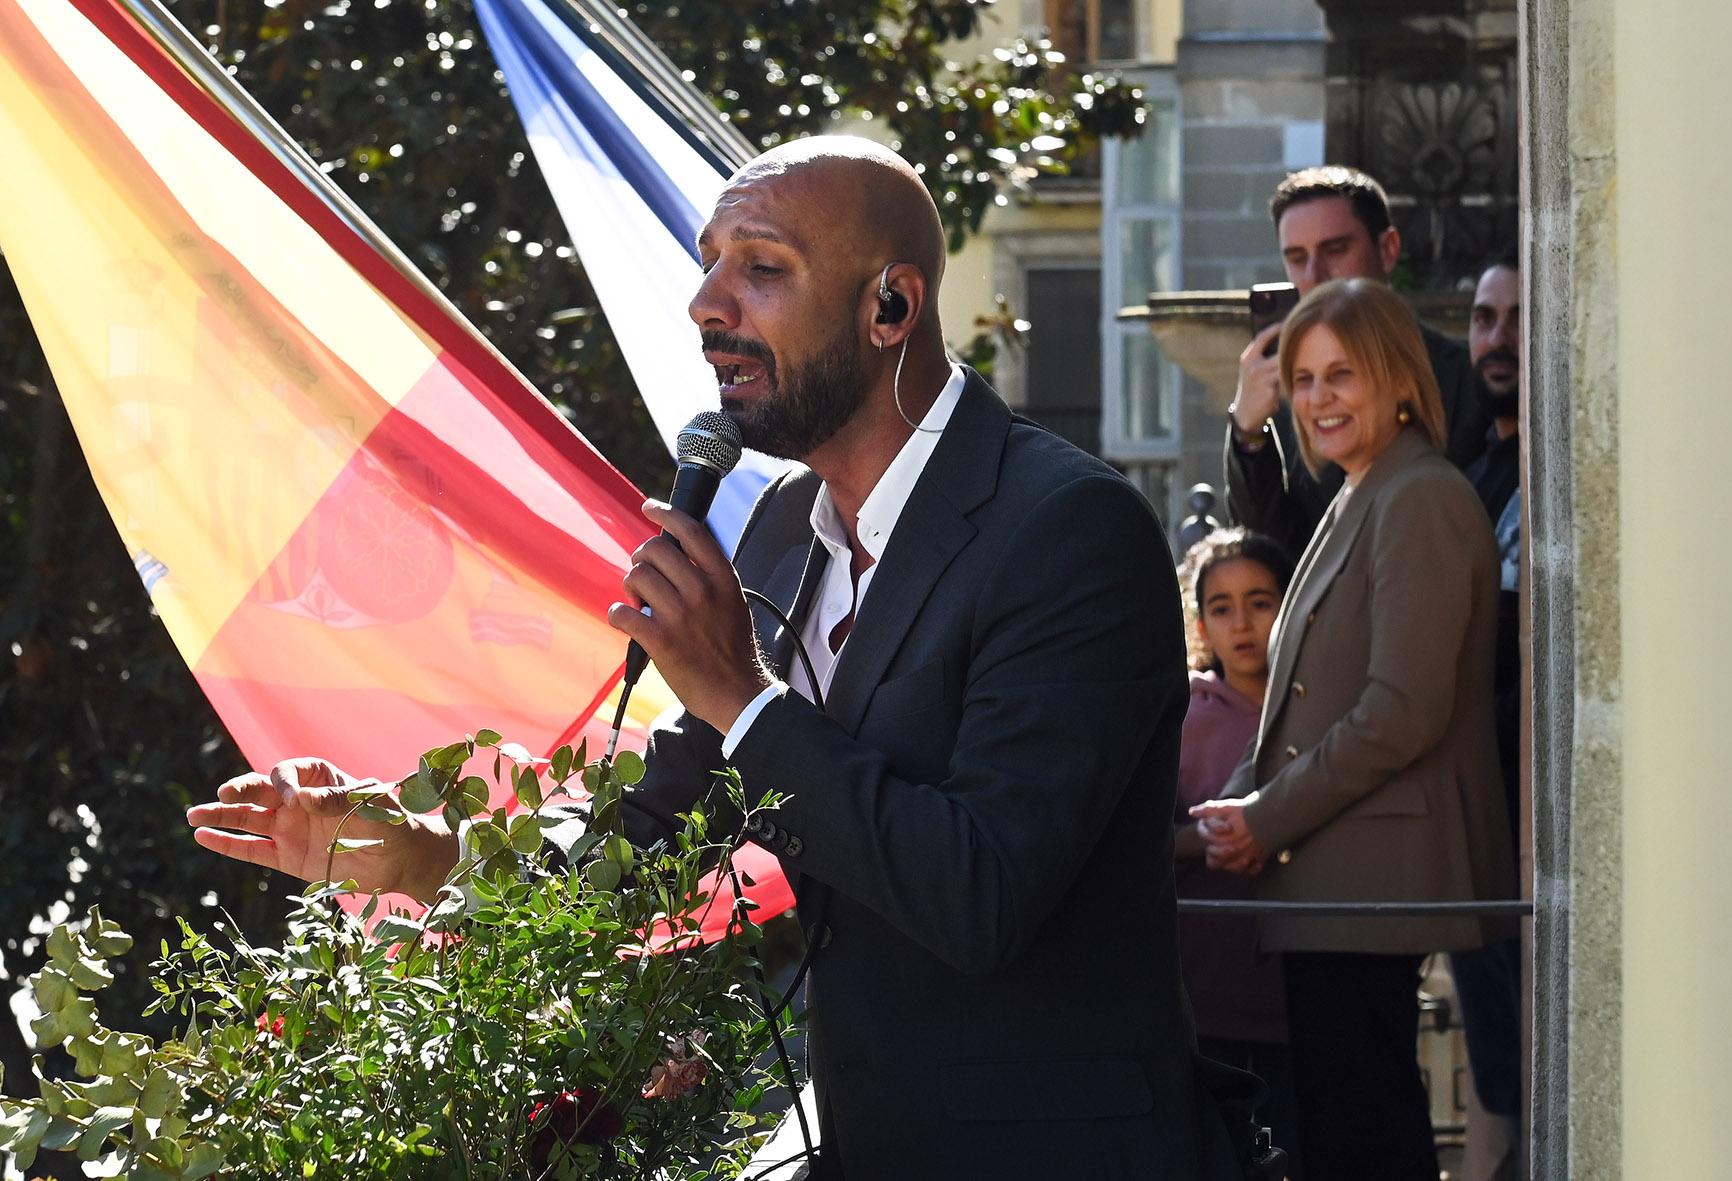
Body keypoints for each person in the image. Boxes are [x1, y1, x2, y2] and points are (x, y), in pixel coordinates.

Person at [187, 136, 1252, 1180]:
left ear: (891, 306)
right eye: (708, 261)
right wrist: (413, 851)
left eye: (761, 267)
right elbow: (651, 838)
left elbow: (980, 893)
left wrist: (744, 699)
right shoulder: (785, 526)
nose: (707, 301)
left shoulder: (1069, 528)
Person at [1192, 277, 1516, 1180]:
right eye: (1302, 378)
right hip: (1334, 878)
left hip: (1373, 879)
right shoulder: (1358, 491)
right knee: (1345, 1125)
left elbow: (1401, 710)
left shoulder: (1420, 495)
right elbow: (1307, 704)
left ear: (1401, 379)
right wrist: (1225, 813)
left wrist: (1267, 817)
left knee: (1364, 1129)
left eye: (1343, 375)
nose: (1318, 399)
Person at [1223, 166, 1490, 559]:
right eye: (1296, 258)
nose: (1314, 276)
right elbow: (1270, 554)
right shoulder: (1278, 389)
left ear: (1388, 250)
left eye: (1335, 250)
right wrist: (1248, 433)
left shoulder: (1463, 378)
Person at [1173, 528, 1302, 1178]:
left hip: (1303, 990)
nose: (1243, 623)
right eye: (1221, 607)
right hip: (1210, 991)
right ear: (1201, 623)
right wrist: (1214, 837)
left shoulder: (1315, 707)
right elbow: (1146, 840)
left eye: (1261, 600)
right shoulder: (1183, 720)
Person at [1450, 251, 1525, 1179]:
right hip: (1483, 818)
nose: (1498, 336)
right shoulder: (1476, 473)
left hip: (1530, 821)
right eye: (1483, 316)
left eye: (1515, 315)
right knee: (1496, 1073)